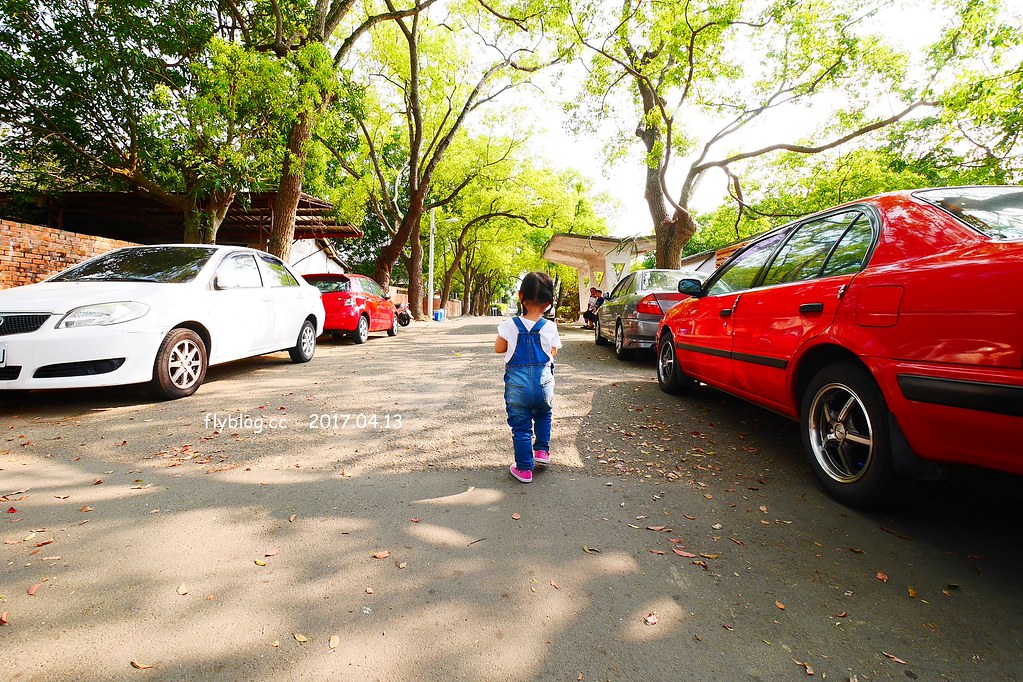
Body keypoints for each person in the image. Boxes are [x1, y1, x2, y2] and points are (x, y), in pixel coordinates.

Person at [494, 272, 563, 483]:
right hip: (543, 383)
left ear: (521, 295)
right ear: (549, 302)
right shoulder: (550, 327)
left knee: (521, 426)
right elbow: (553, 352)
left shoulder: (510, 325)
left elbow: (499, 348)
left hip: (517, 386)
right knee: (544, 414)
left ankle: (524, 468)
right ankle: (542, 451)